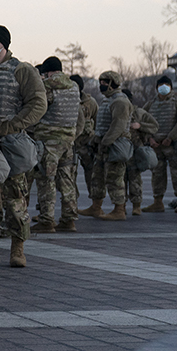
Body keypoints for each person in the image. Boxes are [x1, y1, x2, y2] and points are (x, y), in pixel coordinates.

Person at [0, 25, 46, 268]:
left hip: (11, 142)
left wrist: (14, 124)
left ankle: (18, 247)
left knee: (15, 197)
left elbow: (38, 103)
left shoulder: (21, 70)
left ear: (4, 43)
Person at [29, 57, 82, 232]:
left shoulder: (48, 87)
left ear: (49, 71)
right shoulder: (74, 87)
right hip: (68, 141)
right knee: (67, 180)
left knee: (46, 180)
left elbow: (38, 109)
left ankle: (47, 220)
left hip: (49, 141)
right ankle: (69, 219)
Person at [82, 70, 133, 220]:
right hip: (103, 146)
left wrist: (105, 142)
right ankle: (96, 207)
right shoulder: (108, 101)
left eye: (105, 83)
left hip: (114, 146)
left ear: (113, 83)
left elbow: (118, 126)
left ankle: (119, 210)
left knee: (114, 178)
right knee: (97, 177)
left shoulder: (121, 102)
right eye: (101, 83)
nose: (102, 86)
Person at [143, 75, 177, 213]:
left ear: (171, 87)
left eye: (166, 84)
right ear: (156, 88)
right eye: (161, 85)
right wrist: (150, 138)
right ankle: (157, 202)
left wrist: (171, 137)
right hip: (156, 146)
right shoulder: (150, 104)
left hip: (174, 145)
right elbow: (142, 122)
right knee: (157, 174)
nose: (163, 87)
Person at [122, 88, 158, 216]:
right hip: (120, 150)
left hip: (135, 149)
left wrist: (140, 126)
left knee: (134, 178)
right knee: (120, 179)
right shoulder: (115, 110)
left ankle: (136, 205)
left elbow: (154, 126)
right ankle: (121, 206)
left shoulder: (139, 112)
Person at [71, 73, 98, 227]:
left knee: (91, 174)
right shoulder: (68, 100)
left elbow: (97, 118)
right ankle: (72, 206)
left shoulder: (90, 102)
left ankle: (95, 204)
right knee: (70, 175)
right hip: (73, 143)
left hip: (87, 144)